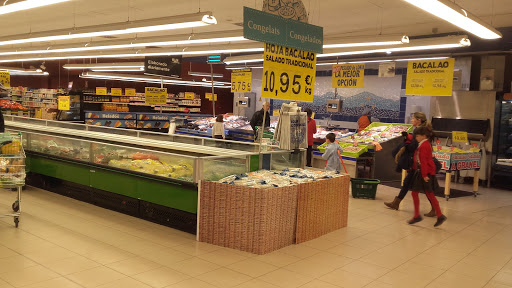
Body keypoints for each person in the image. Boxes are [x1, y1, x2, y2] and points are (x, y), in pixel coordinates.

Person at [384, 112, 436, 217]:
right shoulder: (423, 130)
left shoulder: (420, 131)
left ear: (418, 120)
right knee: (407, 183)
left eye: (413, 118)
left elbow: (414, 146)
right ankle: (396, 203)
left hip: (419, 163)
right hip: (417, 162)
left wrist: (406, 145)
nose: (411, 120)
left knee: (425, 187)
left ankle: (434, 208)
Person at [408, 126, 447, 227]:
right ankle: (438, 215)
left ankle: (421, 215)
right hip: (426, 172)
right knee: (424, 193)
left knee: (423, 193)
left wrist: (424, 175)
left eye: (417, 136)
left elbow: (424, 162)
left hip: (425, 173)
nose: (416, 138)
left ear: (423, 136)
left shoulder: (424, 146)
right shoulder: (425, 144)